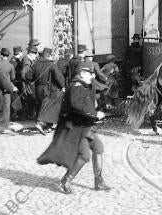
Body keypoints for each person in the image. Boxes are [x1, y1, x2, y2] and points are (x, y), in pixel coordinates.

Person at [36, 62, 110, 194]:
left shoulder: (84, 85)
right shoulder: (76, 87)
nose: (92, 76)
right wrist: (95, 114)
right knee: (84, 155)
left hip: (86, 126)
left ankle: (98, 181)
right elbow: (77, 106)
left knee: (98, 148)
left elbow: (88, 101)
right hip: (76, 128)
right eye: (90, 73)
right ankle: (66, 181)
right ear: (81, 73)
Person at [28, 48, 66, 133]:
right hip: (47, 88)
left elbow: (28, 76)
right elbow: (58, 76)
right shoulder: (51, 64)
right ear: (49, 55)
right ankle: (40, 123)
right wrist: (63, 86)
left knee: (40, 104)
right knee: (48, 106)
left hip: (37, 88)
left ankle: (47, 125)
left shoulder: (35, 64)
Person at [0, 48, 16, 127]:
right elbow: (13, 78)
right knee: (7, 105)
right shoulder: (10, 65)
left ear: (1, 55)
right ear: (8, 56)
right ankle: (5, 123)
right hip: (7, 87)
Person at [21, 45, 39, 119]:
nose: (36, 56)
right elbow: (23, 74)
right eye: (35, 54)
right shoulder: (27, 61)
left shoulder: (27, 59)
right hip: (29, 84)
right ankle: (30, 115)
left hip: (28, 83)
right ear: (31, 54)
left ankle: (30, 115)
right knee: (32, 99)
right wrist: (29, 81)